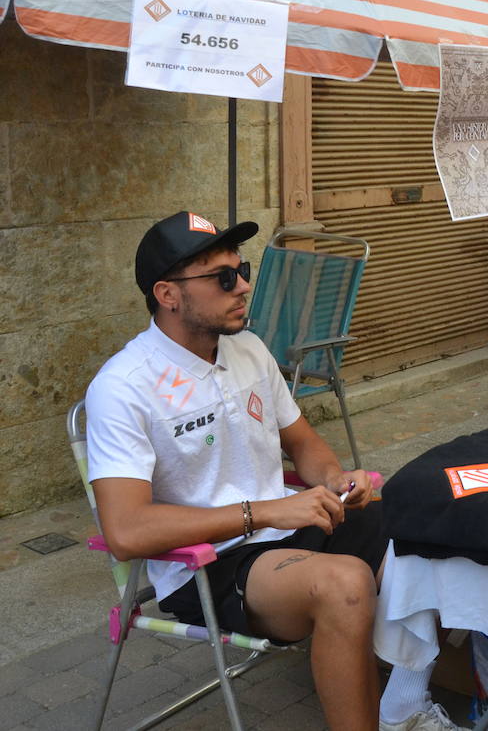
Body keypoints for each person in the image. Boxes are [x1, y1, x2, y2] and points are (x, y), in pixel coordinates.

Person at [84, 212, 399, 731]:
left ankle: (410, 699)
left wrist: (334, 481)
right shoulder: (125, 387)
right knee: (346, 582)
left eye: (242, 268)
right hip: (206, 564)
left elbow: (303, 443)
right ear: (168, 294)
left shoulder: (249, 348)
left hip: (285, 527)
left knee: (419, 528)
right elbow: (126, 531)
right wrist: (264, 511)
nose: (245, 285)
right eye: (224, 277)